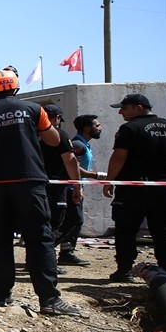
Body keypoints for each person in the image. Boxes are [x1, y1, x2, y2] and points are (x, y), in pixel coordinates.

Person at [0, 70, 82, 314]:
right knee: (40, 238)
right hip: (29, 182)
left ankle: (0, 293)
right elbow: (52, 140)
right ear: (15, 87)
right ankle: (49, 299)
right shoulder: (34, 110)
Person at [102, 93, 166, 280]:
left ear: (138, 108)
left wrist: (110, 180)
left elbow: (119, 157)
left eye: (124, 108)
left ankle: (124, 270)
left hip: (133, 189)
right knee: (164, 229)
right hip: (165, 188)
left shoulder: (130, 129)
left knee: (125, 229)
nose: (120, 113)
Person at [38, 105, 84, 270]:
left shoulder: (28, 135)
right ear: (56, 117)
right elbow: (70, 162)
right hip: (55, 187)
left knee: (39, 224)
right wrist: (78, 187)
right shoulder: (59, 135)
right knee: (58, 222)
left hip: (33, 185)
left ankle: (38, 258)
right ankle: (44, 260)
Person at [60, 114, 104, 266]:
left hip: (76, 188)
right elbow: (74, 166)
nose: (100, 128)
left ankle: (66, 252)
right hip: (71, 189)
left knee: (72, 222)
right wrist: (96, 175)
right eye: (97, 126)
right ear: (87, 128)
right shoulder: (78, 145)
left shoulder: (84, 144)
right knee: (74, 221)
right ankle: (45, 251)